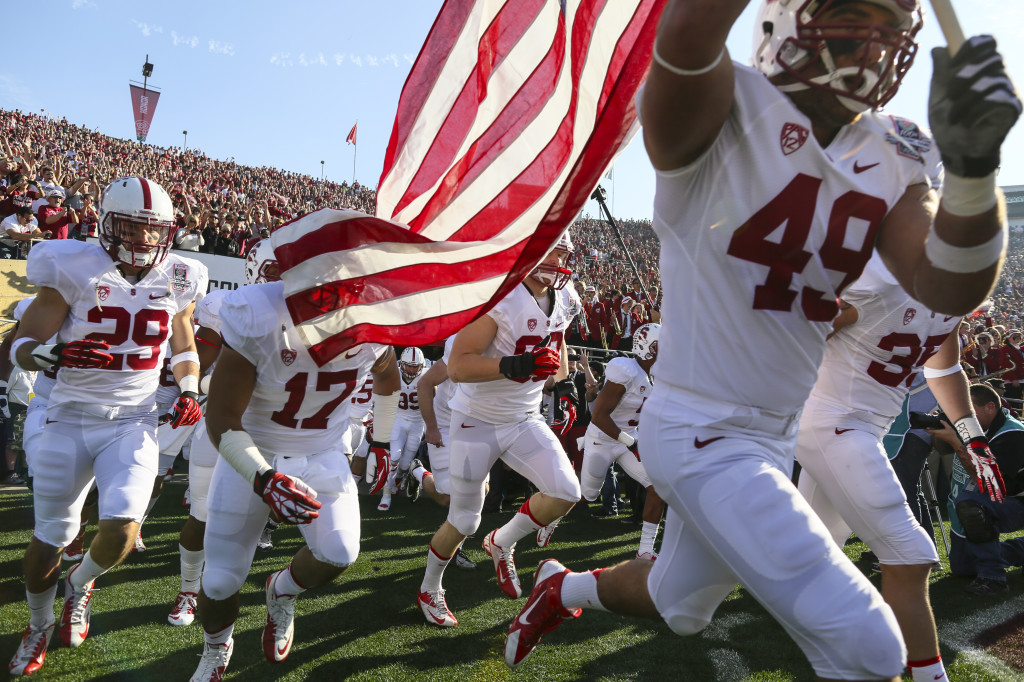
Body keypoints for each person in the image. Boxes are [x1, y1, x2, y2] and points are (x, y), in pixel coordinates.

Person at [503, 1, 1020, 679]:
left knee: (678, 603)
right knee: (869, 648)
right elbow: (687, 30)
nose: (874, 40)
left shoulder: (898, 146)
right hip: (696, 425)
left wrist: (976, 170)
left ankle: (559, 587)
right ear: (786, 17)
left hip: (773, 434)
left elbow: (949, 290)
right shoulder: (724, 97)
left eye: (891, 23)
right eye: (853, 13)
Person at [8, 176, 206, 677]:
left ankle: (80, 584)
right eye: (132, 227)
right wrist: (45, 353)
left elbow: (183, 346)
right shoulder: (71, 265)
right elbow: (19, 344)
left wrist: (188, 388)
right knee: (53, 533)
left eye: (153, 229)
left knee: (121, 529)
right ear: (105, 223)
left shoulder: (180, 275)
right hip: (65, 416)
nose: (143, 239)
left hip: (133, 419)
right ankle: (37, 623)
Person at [189, 240, 400, 680]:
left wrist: (380, 442)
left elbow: (388, 377)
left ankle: (280, 592)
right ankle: (215, 647)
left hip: (323, 451)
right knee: (221, 580)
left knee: (339, 552)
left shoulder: (373, 322)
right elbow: (223, 418)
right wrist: (263, 477)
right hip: (253, 449)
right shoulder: (260, 316)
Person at [794, 252, 993, 682]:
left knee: (813, 548)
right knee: (912, 552)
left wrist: (971, 434)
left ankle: (824, 643)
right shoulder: (881, 282)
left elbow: (946, 368)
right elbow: (795, 332)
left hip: (862, 426)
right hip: (833, 422)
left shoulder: (949, 297)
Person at [417, 233, 581, 628]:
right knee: (465, 520)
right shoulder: (499, 297)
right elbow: (457, 367)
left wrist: (562, 383)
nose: (561, 258)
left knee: (566, 491)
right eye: (554, 248)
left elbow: (555, 356)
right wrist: (518, 365)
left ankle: (502, 541)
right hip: (477, 420)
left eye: (565, 251)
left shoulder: (566, 297)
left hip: (524, 417)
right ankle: (429, 586)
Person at [581, 323, 665, 560]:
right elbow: (598, 416)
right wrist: (631, 441)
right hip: (602, 438)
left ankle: (646, 550)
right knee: (587, 494)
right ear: (650, 348)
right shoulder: (626, 370)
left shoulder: (653, 377)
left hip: (628, 440)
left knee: (657, 488)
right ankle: (550, 517)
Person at [932, 383, 1024, 595]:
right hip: (1002, 498)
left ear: (990, 407)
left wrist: (956, 441)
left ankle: (993, 578)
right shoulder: (978, 427)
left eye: (967, 411)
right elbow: (942, 449)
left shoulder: (1011, 433)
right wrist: (941, 431)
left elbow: (989, 481)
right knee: (963, 567)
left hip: (1016, 500)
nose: (960, 416)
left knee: (971, 505)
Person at [378, 347, 426, 511]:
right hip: (398, 419)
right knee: (394, 457)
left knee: (405, 465)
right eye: (408, 365)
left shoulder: (427, 375)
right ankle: (386, 494)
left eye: (415, 366)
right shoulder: (393, 374)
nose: (412, 369)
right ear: (401, 363)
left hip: (417, 423)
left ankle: (399, 480)